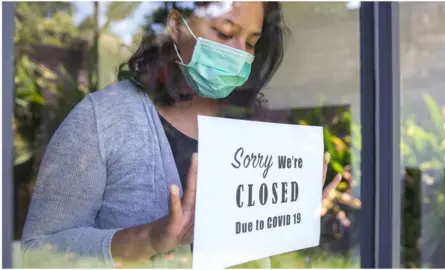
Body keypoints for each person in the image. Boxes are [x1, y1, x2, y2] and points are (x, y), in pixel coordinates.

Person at [21, 2, 341, 268]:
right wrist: (148, 239)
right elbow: (38, 251)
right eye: (224, 32)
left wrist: (290, 216)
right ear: (176, 24)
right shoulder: (103, 118)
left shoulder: (252, 126)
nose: (238, 53)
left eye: (251, 42)